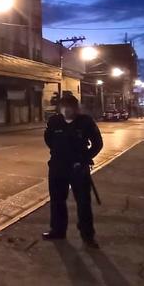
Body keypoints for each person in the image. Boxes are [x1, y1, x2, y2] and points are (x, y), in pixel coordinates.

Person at [42, 95, 103, 248]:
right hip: (58, 167)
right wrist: (59, 152)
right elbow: (48, 139)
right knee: (57, 200)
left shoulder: (86, 122)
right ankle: (58, 230)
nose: (67, 110)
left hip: (78, 168)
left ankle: (87, 235)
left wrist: (85, 158)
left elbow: (97, 144)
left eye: (70, 107)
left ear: (76, 108)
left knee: (83, 203)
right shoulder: (54, 121)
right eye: (64, 107)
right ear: (60, 108)